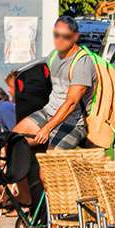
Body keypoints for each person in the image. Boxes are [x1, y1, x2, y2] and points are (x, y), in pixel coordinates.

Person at [24, 18, 95, 151]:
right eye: (56, 35)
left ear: (75, 37)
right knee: (12, 140)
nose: (60, 40)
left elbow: (71, 103)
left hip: (73, 122)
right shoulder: (53, 55)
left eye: (66, 37)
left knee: (53, 163)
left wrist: (47, 129)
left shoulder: (82, 63)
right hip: (49, 112)